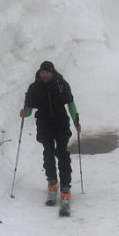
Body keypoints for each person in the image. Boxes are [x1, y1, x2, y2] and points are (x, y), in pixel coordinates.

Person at [20, 60, 81, 205]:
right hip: (44, 123)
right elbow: (29, 109)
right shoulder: (34, 88)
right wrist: (24, 113)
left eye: (47, 72)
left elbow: (71, 103)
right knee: (48, 152)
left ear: (52, 72)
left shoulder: (61, 85)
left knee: (62, 153)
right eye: (43, 72)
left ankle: (65, 186)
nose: (45, 74)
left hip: (60, 123)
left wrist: (76, 121)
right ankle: (52, 182)